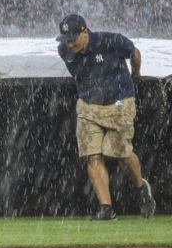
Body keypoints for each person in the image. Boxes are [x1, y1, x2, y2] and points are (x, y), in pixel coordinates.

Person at [56, 14, 156, 221]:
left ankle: (140, 187)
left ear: (85, 31)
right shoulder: (64, 51)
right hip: (88, 106)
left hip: (119, 102)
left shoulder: (111, 41)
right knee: (92, 155)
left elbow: (134, 54)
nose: (69, 43)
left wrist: (135, 75)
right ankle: (106, 208)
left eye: (73, 37)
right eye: (66, 38)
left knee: (121, 152)